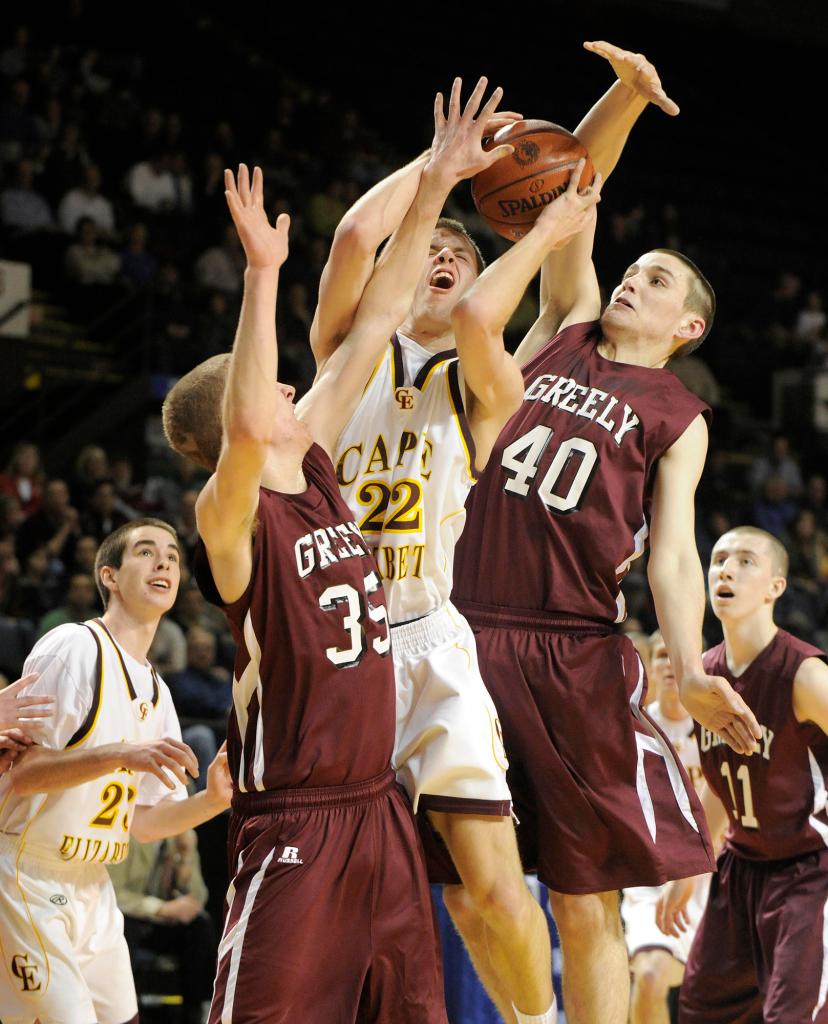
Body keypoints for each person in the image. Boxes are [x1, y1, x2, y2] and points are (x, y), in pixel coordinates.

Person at [162, 80, 504, 1020]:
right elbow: (238, 427)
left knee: (408, 1010)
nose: (287, 384)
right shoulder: (230, 516)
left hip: (374, 801)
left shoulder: (312, 455)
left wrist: (436, 180)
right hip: (294, 821)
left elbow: (384, 307)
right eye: (266, 384)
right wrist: (262, 274)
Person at [446, 42, 763, 1024]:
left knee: (582, 895)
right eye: (638, 268)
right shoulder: (567, 324)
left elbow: (672, 554)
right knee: (464, 877)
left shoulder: (679, 413)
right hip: (459, 622)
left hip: (571, 647)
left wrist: (687, 660)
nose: (637, 281)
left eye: (662, 281)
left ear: (690, 325)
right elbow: (565, 192)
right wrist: (623, 98)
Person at [322, 80, 601, 1024]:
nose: (439, 257)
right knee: (327, 885)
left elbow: (489, 314)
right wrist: (436, 175)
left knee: (488, 885)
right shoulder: (342, 354)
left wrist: (542, 237)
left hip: (430, 640)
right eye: (429, 249)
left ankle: (539, 1021)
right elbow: (357, 243)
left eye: (455, 254)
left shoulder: (485, 384)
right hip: (330, 646)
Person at [0, 518, 231, 1024]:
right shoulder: (74, 647)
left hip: (93, 883)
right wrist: (121, 754)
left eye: (171, 555)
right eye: (146, 552)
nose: (164, 562)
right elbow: (24, 772)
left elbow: (143, 823)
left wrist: (211, 801)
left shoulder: (158, 690)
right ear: (109, 575)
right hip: (28, 873)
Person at [657, 526, 828, 1024]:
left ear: (776, 586)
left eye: (746, 561)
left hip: (808, 871)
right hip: (739, 869)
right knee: (700, 1011)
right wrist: (692, 868)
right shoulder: (703, 678)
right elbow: (723, 783)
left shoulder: (805, 675)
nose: (726, 569)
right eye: (718, 560)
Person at [621, 631, 709, 1024]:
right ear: (651, 668)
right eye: (660, 655)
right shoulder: (629, 731)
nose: (669, 664)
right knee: (652, 975)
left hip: (719, 881)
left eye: (679, 655)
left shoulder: (720, 728)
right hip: (653, 885)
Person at [108, 829, 217, 1024]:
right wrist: (161, 908)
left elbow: (198, 899)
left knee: (200, 925)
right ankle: (130, 1015)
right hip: (132, 917)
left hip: (161, 924)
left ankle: (198, 1010)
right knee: (125, 927)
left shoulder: (181, 838)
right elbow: (113, 894)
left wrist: (186, 857)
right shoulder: (128, 835)